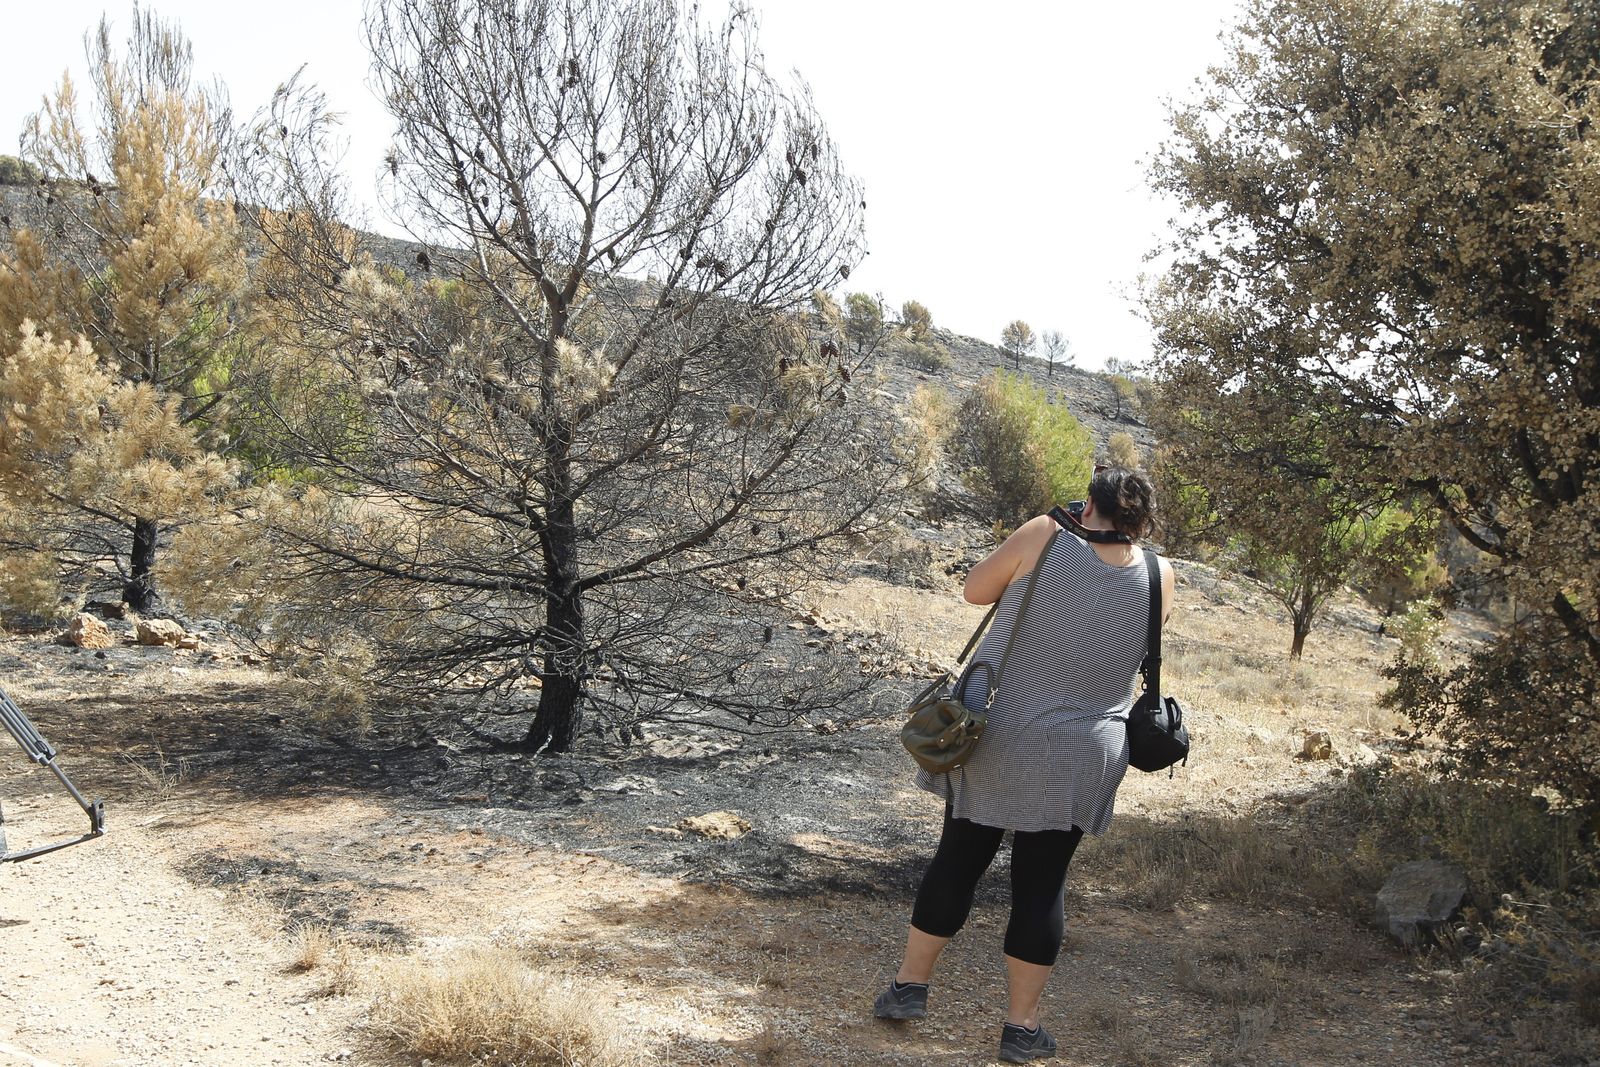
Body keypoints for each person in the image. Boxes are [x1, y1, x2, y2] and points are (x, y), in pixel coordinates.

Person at [873, 466, 1176, 1064]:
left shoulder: (1043, 533)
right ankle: (1021, 1027)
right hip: (1084, 750)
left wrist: (1054, 527)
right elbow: (1141, 638)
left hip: (999, 733)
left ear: (1088, 507)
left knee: (958, 860)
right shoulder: (1159, 573)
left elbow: (974, 591)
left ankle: (909, 990)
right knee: (1041, 888)